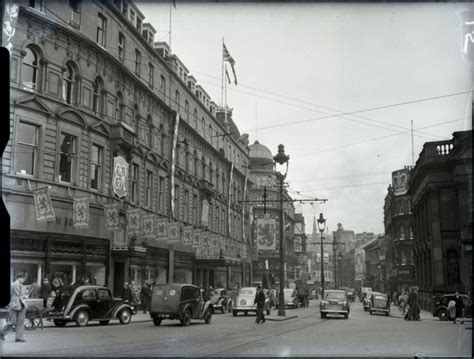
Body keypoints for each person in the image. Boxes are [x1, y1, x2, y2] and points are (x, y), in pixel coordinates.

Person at [4, 272, 28, 342]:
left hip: (22, 305)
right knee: (12, 321)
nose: (23, 281)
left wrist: (25, 296)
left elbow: (22, 295)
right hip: (14, 305)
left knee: (21, 321)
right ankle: (2, 332)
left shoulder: (22, 286)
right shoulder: (12, 285)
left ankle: (19, 337)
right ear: (19, 278)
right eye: (23, 279)